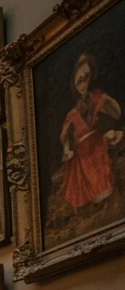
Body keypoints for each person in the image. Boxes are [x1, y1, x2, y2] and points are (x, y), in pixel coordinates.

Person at [58, 54, 122, 211]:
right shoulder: (74, 111)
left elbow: (112, 113)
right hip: (80, 150)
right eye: (79, 81)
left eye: (85, 79)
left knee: (97, 163)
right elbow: (68, 134)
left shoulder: (97, 98)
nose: (82, 84)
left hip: (95, 142)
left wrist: (111, 130)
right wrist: (67, 148)